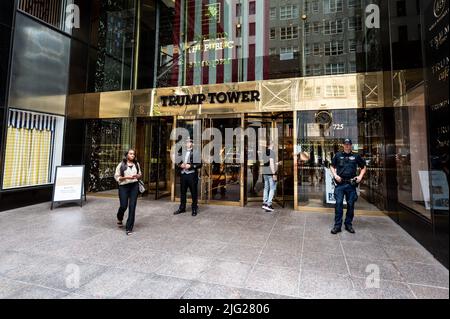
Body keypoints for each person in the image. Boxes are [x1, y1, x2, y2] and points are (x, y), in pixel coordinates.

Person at [330, 139, 367, 234]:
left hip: (351, 184)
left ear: (351, 145)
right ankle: (337, 226)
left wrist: (360, 177)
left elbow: (363, 167)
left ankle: (348, 224)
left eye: (349, 144)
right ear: (343, 145)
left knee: (351, 205)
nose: (347, 146)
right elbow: (332, 166)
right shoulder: (338, 155)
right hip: (340, 184)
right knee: (338, 204)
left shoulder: (356, 156)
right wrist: (335, 175)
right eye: (345, 144)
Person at [114, 149, 142, 236]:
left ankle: (129, 227)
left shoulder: (137, 164)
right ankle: (120, 217)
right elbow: (117, 177)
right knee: (123, 205)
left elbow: (140, 174)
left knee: (132, 206)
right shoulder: (121, 165)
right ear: (126, 155)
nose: (132, 155)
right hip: (123, 186)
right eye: (130, 154)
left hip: (134, 186)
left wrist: (138, 176)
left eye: (133, 154)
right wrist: (126, 178)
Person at [174, 139, 202, 216]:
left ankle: (194, 208)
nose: (187, 143)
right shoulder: (182, 151)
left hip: (192, 175)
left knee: (194, 193)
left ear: (192, 144)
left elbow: (200, 164)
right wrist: (180, 165)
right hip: (183, 174)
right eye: (186, 142)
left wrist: (191, 166)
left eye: (189, 142)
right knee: (183, 192)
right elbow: (177, 161)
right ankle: (182, 208)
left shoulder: (196, 152)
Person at [262, 142, 279, 212]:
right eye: (273, 144)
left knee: (266, 188)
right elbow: (271, 163)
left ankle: (265, 203)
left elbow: (267, 163)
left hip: (265, 172)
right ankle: (268, 205)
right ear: (270, 145)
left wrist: (277, 163)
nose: (274, 146)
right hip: (270, 173)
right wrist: (274, 174)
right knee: (272, 188)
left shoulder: (264, 153)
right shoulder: (271, 152)